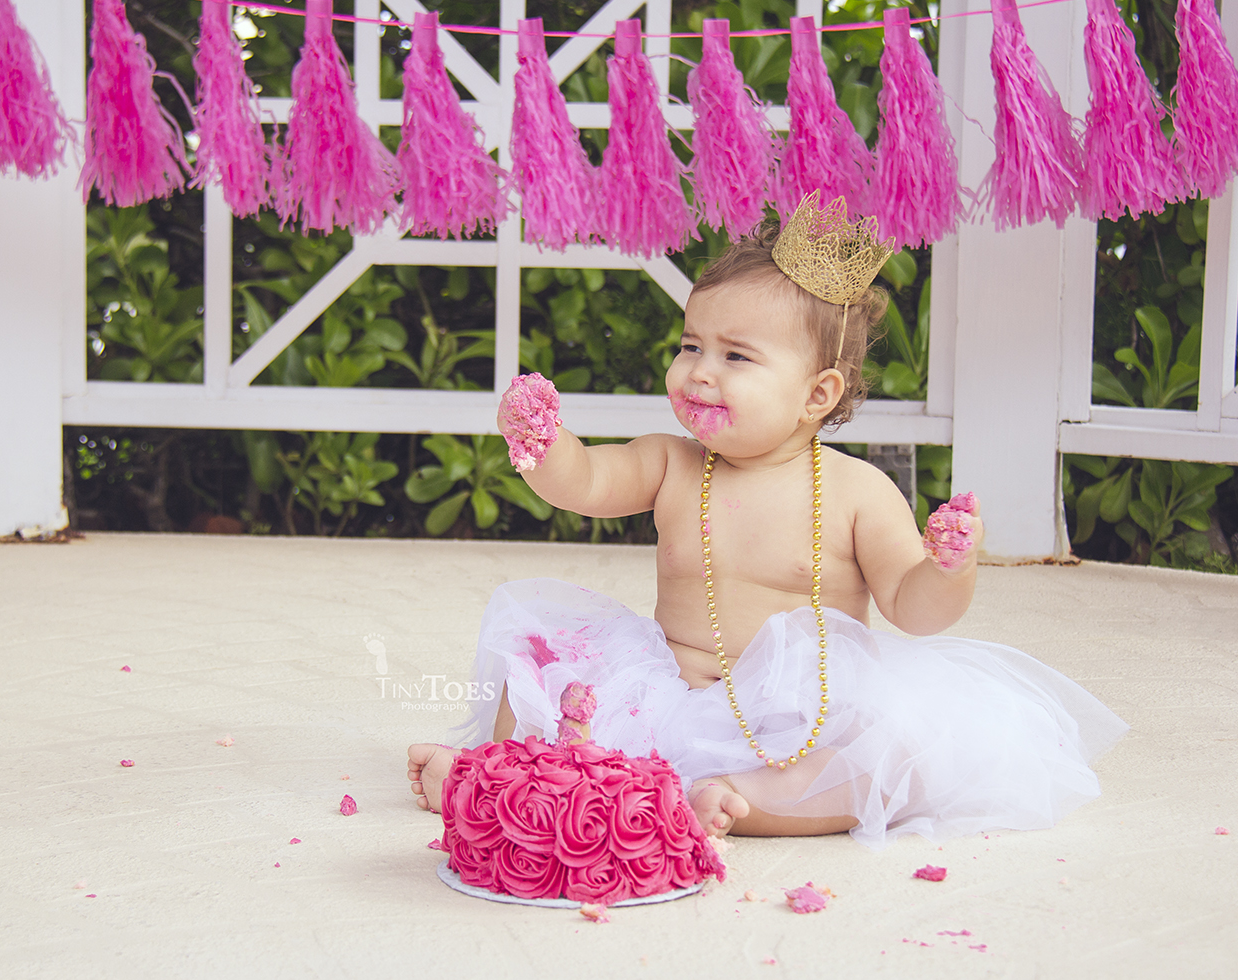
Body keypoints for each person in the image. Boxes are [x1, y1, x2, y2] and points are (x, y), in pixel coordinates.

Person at [406, 194, 1127, 848]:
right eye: (690, 345)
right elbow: (587, 481)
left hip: (792, 722)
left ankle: (744, 798)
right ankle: (491, 777)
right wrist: (543, 444)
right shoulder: (671, 463)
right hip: (666, 694)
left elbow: (912, 607)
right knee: (533, 648)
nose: (698, 371)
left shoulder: (857, 490)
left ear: (817, 393)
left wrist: (947, 569)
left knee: (891, 755)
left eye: (735, 356)